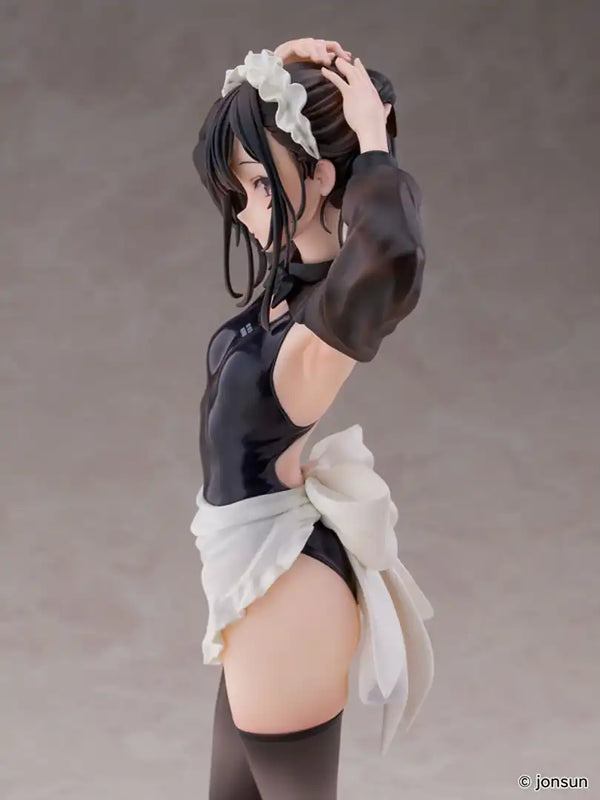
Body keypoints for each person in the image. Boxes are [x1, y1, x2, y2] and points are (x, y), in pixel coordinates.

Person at [189, 37, 434, 799]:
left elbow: (391, 254)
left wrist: (373, 148)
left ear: (323, 176)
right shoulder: (292, 289)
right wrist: (269, 73)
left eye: (260, 185)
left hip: (282, 583)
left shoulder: (325, 318)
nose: (244, 209)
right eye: (237, 189)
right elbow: (258, 150)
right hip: (255, 569)